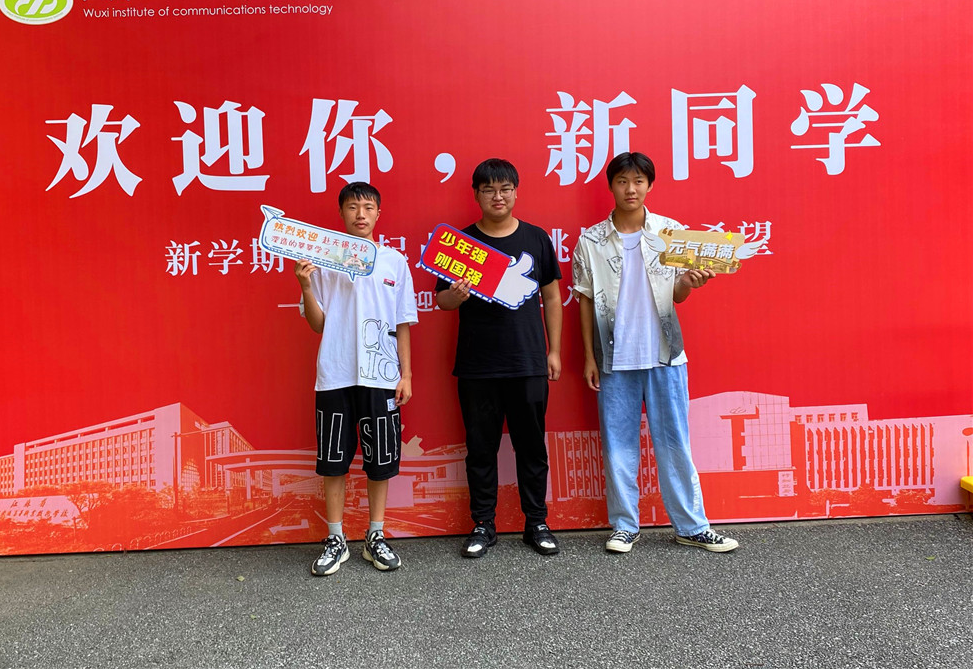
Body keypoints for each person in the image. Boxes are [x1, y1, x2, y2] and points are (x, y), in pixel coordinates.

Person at [571, 151, 739, 554]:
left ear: (649, 185)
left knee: (675, 442)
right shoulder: (590, 240)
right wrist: (590, 357)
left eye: (639, 181)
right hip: (615, 358)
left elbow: (677, 294)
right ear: (611, 186)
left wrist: (690, 283)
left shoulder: (671, 232)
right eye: (622, 181)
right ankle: (624, 527)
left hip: (666, 355)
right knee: (618, 446)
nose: (631, 189)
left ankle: (692, 526)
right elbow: (584, 300)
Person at [436, 158, 563, 558]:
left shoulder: (536, 238)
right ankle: (483, 524)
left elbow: (552, 296)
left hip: (528, 361)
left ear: (515, 192)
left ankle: (536, 522)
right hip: (478, 365)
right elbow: (441, 301)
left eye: (505, 188)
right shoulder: (460, 243)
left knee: (532, 447)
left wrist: (554, 350)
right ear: (476, 194)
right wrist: (454, 296)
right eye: (488, 189)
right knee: (480, 449)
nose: (497, 196)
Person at [296, 182, 418, 575]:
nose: (360, 214)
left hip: (381, 376)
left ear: (379, 213)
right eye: (352, 207)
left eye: (367, 207)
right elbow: (317, 324)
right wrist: (305, 284)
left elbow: (402, 321)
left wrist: (406, 374)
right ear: (341, 213)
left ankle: (375, 535)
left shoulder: (394, 261)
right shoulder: (324, 259)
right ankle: (335, 538)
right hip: (335, 374)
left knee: (381, 461)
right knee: (333, 461)